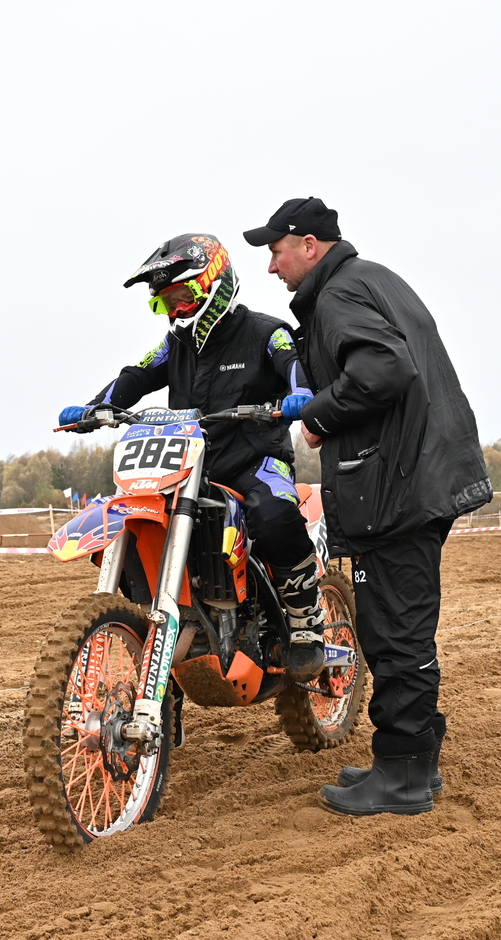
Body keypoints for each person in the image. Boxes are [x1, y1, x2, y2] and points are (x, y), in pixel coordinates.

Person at [245, 196, 492, 816]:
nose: (271, 267)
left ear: (308, 246)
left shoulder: (338, 296)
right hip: (417, 478)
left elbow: (384, 368)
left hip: (398, 489)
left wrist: (318, 416)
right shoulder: (369, 280)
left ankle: (402, 776)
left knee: (395, 633)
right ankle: (415, 762)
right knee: (400, 628)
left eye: (276, 251)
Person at [57, 233, 326, 675]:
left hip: (256, 459)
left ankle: (304, 619)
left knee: (274, 512)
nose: (177, 309)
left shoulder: (266, 332)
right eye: (166, 302)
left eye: (183, 297)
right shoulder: (176, 344)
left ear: (214, 285)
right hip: (189, 466)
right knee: (140, 521)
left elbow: (293, 367)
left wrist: (300, 395)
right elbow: (137, 375)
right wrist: (95, 407)